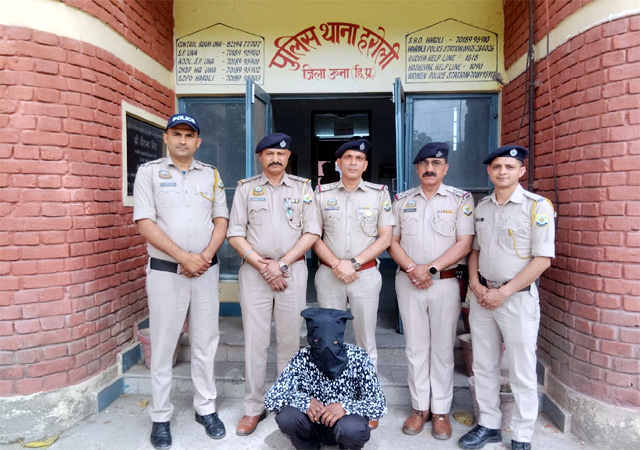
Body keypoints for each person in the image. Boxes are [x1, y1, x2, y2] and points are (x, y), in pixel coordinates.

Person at [133, 113, 228, 449]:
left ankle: (206, 408)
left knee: (206, 342)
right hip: (165, 272)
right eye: (177, 134)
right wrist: (183, 257)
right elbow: (145, 222)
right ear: (166, 138)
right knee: (163, 345)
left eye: (189, 135)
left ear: (198, 141)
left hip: (205, 271)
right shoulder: (149, 173)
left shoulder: (211, 174)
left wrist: (203, 256)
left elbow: (221, 220)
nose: (183, 140)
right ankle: (160, 416)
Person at [458, 145, 555, 450]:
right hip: (483, 297)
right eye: (497, 167)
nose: (502, 172)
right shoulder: (482, 207)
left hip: (517, 299)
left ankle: (522, 435)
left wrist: (503, 292)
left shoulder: (537, 206)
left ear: (521, 171)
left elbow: (542, 260)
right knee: (483, 365)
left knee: (521, 370)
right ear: (489, 171)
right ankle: (489, 424)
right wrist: (476, 285)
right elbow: (475, 251)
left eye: (510, 167)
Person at [227, 133, 321, 436]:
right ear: (260, 157)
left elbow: (312, 232)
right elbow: (235, 234)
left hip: (291, 271)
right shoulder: (246, 189)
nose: (275, 158)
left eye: (281, 154)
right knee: (255, 342)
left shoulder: (303, 188)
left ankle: (287, 403)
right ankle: (253, 407)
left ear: (288, 157)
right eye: (269, 154)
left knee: (290, 342)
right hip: (255, 272)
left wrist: (280, 265)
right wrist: (264, 266)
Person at [388, 142, 474, 440]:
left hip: (444, 283)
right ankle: (419, 409)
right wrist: (414, 269)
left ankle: (440, 411)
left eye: (436, 164)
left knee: (442, 349)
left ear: (445, 168)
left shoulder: (461, 199)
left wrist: (431, 269)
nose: (429, 168)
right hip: (409, 281)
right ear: (417, 168)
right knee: (415, 348)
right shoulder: (401, 201)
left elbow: (465, 243)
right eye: (424, 163)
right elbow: (392, 241)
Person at [312, 139, 396, 379]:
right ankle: (331, 392)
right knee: (328, 338)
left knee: (365, 340)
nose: (353, 162)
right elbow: (313, 235)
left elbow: (385, 237)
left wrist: (354, 264)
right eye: (347, 157)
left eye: (359, 158)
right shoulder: (321, 194)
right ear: (338, 163)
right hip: (330, 275)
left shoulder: (379, 194)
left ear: (365, 165)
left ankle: (367, 393)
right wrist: (337, 264)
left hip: (365, 275)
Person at [265, 307, 387, 450]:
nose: (326, 349)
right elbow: (271, 399)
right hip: (311, 423)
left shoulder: (358, 357)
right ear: (311, 339)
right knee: (287, 417)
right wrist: (305, 402)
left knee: (354, 429)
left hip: (344, 423)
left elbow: (379, 405)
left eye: (334, 343)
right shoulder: (301, 357)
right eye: (318, 342)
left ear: (340, 338)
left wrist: (345, 407)